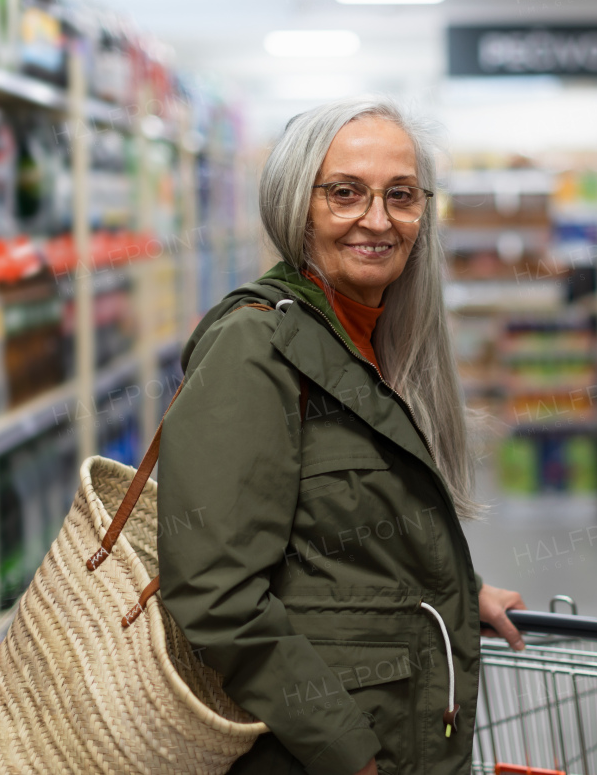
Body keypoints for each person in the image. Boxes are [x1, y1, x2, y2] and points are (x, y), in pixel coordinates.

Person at [157, 97, 526, 775]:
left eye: (402, 195)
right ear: (299, 205)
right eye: (346, 193)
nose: (378, 219)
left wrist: (452, 588)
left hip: (399, 726)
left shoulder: (382, 338)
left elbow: (346, 530)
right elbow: (215, 589)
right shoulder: (254, 347)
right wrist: (349, 754)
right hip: (314, 750)